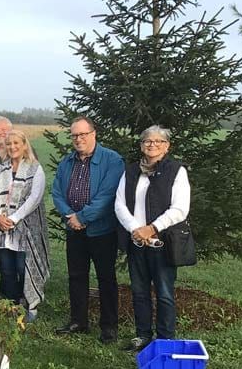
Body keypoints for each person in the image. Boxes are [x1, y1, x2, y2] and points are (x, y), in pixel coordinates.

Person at [115, 125, 191, 351]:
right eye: (147, 141)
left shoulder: (176, 171)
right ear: (141, 145)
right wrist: (136, 229)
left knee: (165, 293)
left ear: (167, 146)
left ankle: (165, 339)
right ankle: (143, 335)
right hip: (137, 241)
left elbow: (180, 209)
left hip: (162, 243)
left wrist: (153, 228)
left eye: (158, 141)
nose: (152, 145)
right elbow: (119, 203)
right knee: (139, 291)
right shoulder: (131, 171)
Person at [51, 116, 124, 342]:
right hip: (75, 231)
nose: (78, 139)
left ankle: (109, 326)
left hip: (102, 231)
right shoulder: (67, 162)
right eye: (74, 135)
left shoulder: (112, 160)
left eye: (83, 134)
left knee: (106, 278)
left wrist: (82, 217)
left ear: (94, 134)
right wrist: (70, 218)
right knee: (76, 276)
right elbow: (57, 192)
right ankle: (78, 321)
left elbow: (107, 196)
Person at [0, 130, 50, 316]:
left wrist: (14, 218)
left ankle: (30, 305)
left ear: (24, 144)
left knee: (24, 266)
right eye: (9, 144)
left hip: (25, 230)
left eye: (16, 143)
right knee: (7, 268)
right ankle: (11, 305)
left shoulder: (36, 169)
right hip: (2, 229)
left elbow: (35, 198)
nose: (12, 147)